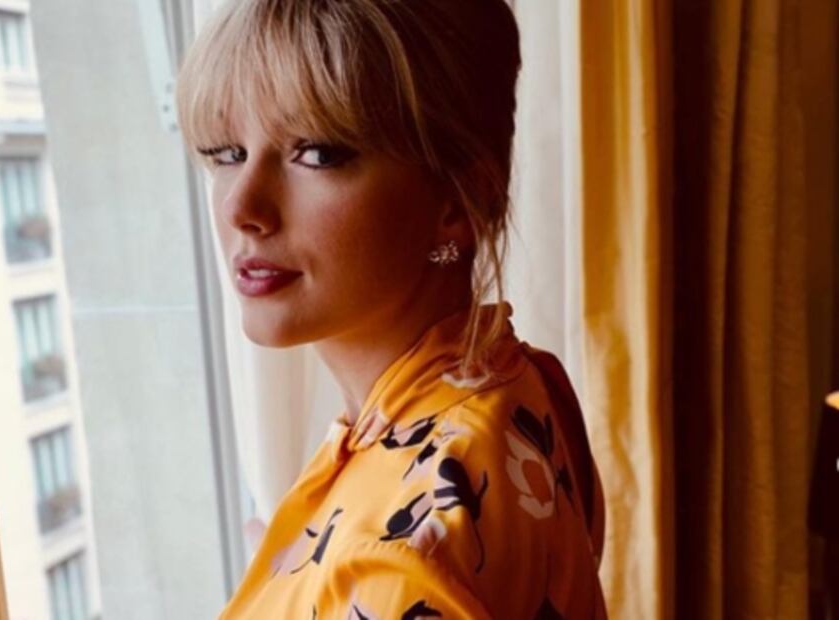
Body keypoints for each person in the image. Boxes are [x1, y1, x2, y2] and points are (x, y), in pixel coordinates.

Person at [176, 0, 606, 617]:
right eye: (226, 153)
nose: (241, 208)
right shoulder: (517, 383)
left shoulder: (397, 555)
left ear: (457, 202)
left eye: (317, 153)